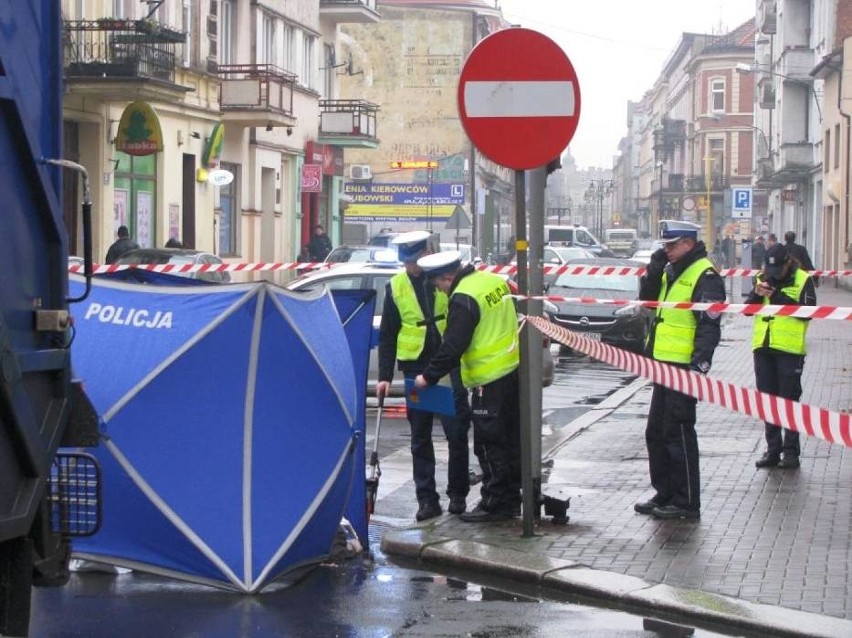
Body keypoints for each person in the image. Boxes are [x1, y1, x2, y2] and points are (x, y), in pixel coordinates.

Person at [414, 250, 521, 523]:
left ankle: (494, 502)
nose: (439, 291)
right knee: (509, 440)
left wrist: (428, 377)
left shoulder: (463, 298)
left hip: (488, 378)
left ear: (448, 276)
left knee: (488, 443)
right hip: (510, 370)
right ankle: (510, 497)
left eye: (439, 284)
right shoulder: (492, 281)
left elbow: (452, 346)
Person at [375, 232, 471, 522]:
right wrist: (384, 375)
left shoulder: (442, 278)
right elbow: (388, 334)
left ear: (427, 253)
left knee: (456, 431)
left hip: (448, 363)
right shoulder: (396, 286)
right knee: (420, 437)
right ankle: (427, 500)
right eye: (407, 263)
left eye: (415, 261)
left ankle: (457, 494)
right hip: (415, 367)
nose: (412, 268)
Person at [634, 221, 726, 520]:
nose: (667, 250)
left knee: (679, 433)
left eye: (671, 246)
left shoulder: (705, 275)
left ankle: (686, 502)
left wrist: (699, 366)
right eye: (665, 246)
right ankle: (665, 493)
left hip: (683, 367)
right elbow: (647, 301)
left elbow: (709, 327)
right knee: (656, 433)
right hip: (662, 363)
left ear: (688, 243)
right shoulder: (672, 269)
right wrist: (654, 267)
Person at [747, 243, 816, 469]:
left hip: (789, 350)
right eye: (770, 270)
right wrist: (756, 296)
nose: (773, 275)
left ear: (789, 263)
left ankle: (791, 453)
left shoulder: (803, 279)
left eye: (777, 271)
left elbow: (807, 314)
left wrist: (776, 296)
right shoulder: (761, 278)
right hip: (763, 347)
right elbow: (748, 310)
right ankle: (773, 450)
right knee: (768, 402)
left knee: (789, 401)